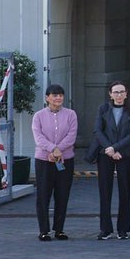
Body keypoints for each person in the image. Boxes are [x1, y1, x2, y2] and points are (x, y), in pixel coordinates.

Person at [88, 81, 130, 240]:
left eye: (122, 92)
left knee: (124, 191)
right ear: (110, 94)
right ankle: (105, 229)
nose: (119, 95)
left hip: (124, 154)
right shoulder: (103, 109)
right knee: (105, 191)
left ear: (126, 93)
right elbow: (98, 130)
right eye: (115, 92)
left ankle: (123, 229)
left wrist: (116, 148)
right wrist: (110, 149)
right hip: (105, 154)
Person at [32, 84, 77, 241]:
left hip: (66, 159)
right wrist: (52, 149)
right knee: (43, 195)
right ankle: (44, 230)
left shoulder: (71, 114)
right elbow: (38, 137)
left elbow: (71, 136)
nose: (58, 98)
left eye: (60, 95)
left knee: (62, 194)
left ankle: (59, 229)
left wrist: (59, 151)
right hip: (44, 160)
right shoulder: (38, 116)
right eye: (54, 95)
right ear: (47, 97)